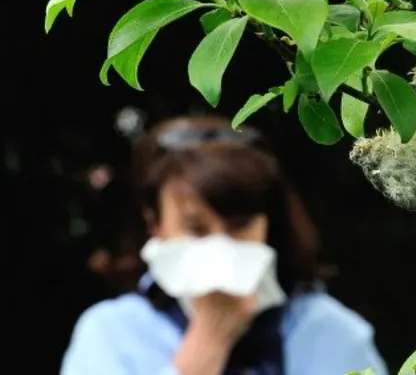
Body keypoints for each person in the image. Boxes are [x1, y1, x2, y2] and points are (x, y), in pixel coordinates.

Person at [61, 116, 388, 375]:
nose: (219, 246)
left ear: (267, 223)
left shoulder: (331, 332)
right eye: (196, 229)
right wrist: (206, 347)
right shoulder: (110, 335)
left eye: (239, 225)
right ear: (155, 223)